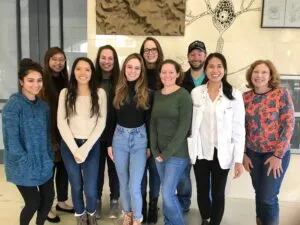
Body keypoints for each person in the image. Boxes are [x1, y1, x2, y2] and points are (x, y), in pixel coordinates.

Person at [188, 53, 245, 225]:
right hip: (201, 150)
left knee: (219, 192)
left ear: (225, 69)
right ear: (205, 69)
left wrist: (238, 160)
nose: (215, 70)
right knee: (202, 189)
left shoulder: (234, 95)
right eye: (211, 66)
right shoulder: (196, 93)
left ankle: (215, 222)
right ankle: (205, 217)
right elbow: (191, 123)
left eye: (219, 66)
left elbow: (239, 129)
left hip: (223, 151)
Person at [2, 58, 54, 225]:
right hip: (22, 165)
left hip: (43, 162)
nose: (35, 85)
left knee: (48, 199)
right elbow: (12, 141)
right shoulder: (14, 105)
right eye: (30, 80)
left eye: (39, 80)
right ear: (21, 81)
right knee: (33, 202)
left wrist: (49, 156)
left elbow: (46, 135)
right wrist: (25, 161)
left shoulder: (43, 106)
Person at [243, 60, 295, 225]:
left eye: (264, 72)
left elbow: (288, 125)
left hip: (275, 155)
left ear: (270, 75)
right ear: (251, 75)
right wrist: (243, 154)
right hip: (253, 154)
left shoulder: (281, 94)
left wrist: (278, 155)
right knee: (259, 193)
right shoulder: (245, 97)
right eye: (256, 72)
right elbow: (240, 127)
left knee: (268, 197)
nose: (259, 76)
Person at [57, 57, 107, 225]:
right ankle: (80, 215)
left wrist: (84, 149)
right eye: (79, 69)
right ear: (73, 71)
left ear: (92, 72)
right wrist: (74, 149)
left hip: (91, 146)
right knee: (76, 185)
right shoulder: (65, 93)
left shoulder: (100, 93)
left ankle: (91, 213)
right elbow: (61, 122)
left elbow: (101, 122)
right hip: (69, 146)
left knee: (91, 188)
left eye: (87, 69)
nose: (83, 73)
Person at [107, 53, 151, 225]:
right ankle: (127, 214)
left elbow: (148, 120)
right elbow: (111, 119)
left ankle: (138, 218)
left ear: (141, 72)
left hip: (140, 141)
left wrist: (148, 146)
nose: (132, 71)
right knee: (123, 182)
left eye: (137, 68)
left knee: (135, 186)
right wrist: (109, 144)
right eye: (129, 67)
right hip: (119, 140)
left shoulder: (147, 93)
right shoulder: (116, 91)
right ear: (124, 68)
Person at [150, 59, 192, 225]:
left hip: (177, 153)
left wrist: (165, 153)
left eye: (171, 72)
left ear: (177, 74)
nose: (167, 75)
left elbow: (183, 129)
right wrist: (155, 150)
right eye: (164, 72)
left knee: (167, 193)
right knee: (165, 191)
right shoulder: (157, 94)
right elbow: (153, 123)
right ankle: (169, 222)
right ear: (160, 75)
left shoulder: (184, 95)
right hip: (159, 153)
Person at [41, 47, 74, 223]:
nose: (58, 63)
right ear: (47, 60)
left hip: (65, 134)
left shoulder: (65, 81)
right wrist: (51, 138)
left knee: (64, 170)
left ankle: (61, 201)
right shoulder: (42, 82)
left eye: (61, 59)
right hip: (49, 133)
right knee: (49, 172)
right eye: (54, 59)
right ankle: (46, 207)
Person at [178, 40, 208, 213]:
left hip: (205, 136)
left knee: (205, 176)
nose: (196, 57)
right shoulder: (180, 78)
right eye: (193, 54)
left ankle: (207, 209)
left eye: (199, 53)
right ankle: (183, 204)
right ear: (188, 57)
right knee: (183, 174)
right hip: (184, 135)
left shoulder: (213, 77)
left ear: (205, 55)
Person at [94, 45, 120, 219]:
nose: (107, 61)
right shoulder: (91, 81)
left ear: (115, 61)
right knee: (96, 170)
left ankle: (114, 201)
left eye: (110, 58)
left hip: (116, 134)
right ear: (98, 59)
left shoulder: (120, 81)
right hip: (95, 135)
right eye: (103, 57)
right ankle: (95, 201)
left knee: (114, 170)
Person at [139, 37, 164, 223]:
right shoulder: (136, 73)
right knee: (140, 172)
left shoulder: (165, 73)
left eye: (153, 49)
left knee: (155, 171)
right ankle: (142, 204)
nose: (150, 52)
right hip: (139, 130)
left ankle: (153, 204)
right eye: (146, 50)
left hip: (159, 132)